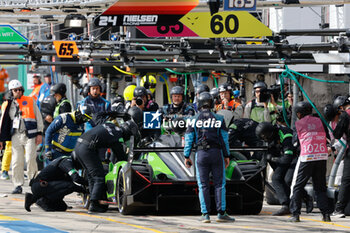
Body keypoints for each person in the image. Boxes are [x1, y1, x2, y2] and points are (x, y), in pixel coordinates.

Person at [74, 107, 142, 213]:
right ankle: (94, 204)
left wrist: (115, 113)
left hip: (79, 145)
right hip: (87, 149)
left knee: (92, 176)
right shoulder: (118, 136)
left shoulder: (109, 124)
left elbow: (97, 115)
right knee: (99, 177)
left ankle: (94, 202)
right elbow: (122, 159)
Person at [183, 92, 235, 223]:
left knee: (203, 185)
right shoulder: (219, 118)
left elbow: (189, 140)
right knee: (220, 184)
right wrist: (227, 155)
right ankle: (221, 213)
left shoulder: (193, 119)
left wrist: (186, 156)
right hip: (216, 153)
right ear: (211, 103)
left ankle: (205, 214)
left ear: (199, 104)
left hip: (201, 154)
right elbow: (224, 139)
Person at [256, 122, 313, 216]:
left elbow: (288, 156)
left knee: (289, 180)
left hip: (295, 157)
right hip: (282, 159)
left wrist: (273, 158)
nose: (265, 140)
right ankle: (286, 205)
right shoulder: (268, 138)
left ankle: (306, 197)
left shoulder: (285, 134)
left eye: (266, 138)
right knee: (277, 178)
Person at [288, 101, 331, 222]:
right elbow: (327, 138)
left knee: (297, 186)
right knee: (320, 187)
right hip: (321, 157)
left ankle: (295, 214)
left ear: (299, 113)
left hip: (307, 157)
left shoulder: (298, 124)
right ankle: (326, 214)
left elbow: (295, 143)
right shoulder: (320, 121)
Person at [0, 80, 44, 194]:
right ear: (11, 91)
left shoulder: (30, 100)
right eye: (15, 90)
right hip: (15, 135)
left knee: (30, 159)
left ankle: (33, 182)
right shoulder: (7, 104)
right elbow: (3, 122)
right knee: (16, 161)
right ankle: (18, 184)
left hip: (30, 134)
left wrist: (40, 133)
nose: (18, 92)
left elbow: (38, 117)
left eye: (20, 89)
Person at [331, 95, 350, 218]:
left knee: (346, 180)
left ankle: (339, 209)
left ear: (341, 107)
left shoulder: (345, 115)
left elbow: (337, 134)